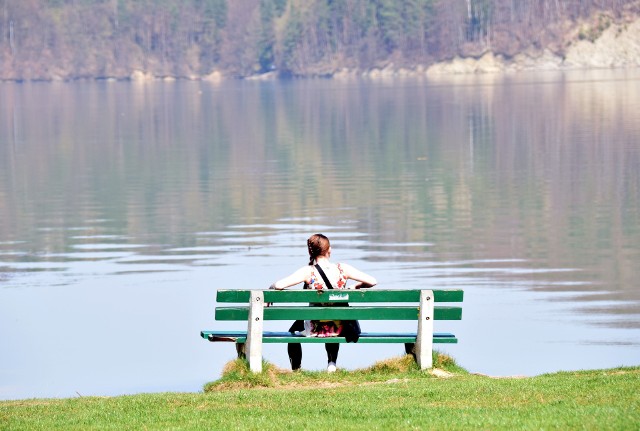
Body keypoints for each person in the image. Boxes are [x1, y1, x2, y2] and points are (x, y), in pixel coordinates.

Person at [269, 233, 377, 372]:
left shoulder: (308, 272)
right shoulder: (343, 269)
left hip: (314, 327)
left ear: (310, 252)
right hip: (342, 327)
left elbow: (279, 285)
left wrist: (270, 290)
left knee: (292, 332)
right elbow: (372, 281)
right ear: (329, 250)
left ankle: (296, 369)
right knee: (333, 319)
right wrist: (356, 286)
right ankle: (331, 363)